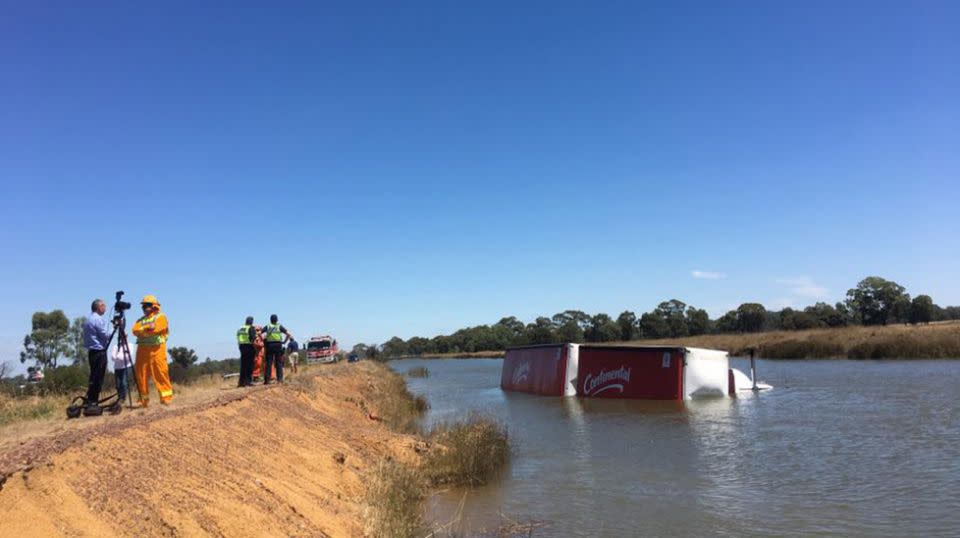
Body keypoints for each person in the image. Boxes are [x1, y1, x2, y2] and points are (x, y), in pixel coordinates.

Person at [132, 295, 173, 406]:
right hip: (142, 351)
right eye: (143, 305)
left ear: (154, 306)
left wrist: (143, 330)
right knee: (141, 375)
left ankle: (166, 398)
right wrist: (147, 328)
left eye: (147, 305)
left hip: (157, 350)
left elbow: (156, 329)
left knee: (160, 373)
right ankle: (143, 400)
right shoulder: (140, 320)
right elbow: (134, 330)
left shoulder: (160, 317)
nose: (144, 307)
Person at [81, 299, 112, 411]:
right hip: (99, 352)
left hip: (92, 352)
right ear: (98, 307)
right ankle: (93, 402)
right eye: (103, 305)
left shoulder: (88, 319)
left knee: (93, 377)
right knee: (98, 378)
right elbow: (104, 335)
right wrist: (115, 329)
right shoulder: (98, 319)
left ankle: (91, 400)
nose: (105, 308)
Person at [261, 314, 292, 384]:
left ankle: (267, 380)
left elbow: (259, 333)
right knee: (278, 362)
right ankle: (279, 379)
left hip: (269, 345)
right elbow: (289, 334)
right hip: (278, 345)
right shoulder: (279, 326)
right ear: (277, 320)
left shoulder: (267, 326)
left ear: (270, 320)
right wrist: (284, 341)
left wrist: (262, 340)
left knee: (269, 362)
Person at [236, 316, 257, 387]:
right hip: (249, 347)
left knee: (243, 365)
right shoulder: (251, 328)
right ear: (251, 322)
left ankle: (241, 382)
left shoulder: (240, 328)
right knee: (249, 365)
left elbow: (237, 337)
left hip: (241, 347)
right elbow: (253, 339)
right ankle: (248, 382)